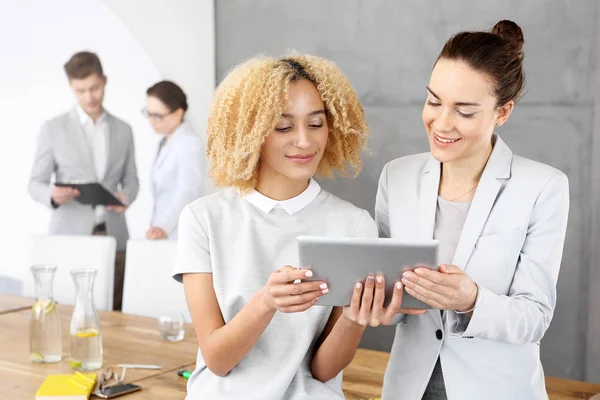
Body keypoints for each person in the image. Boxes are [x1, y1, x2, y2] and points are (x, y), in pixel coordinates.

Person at [172, 54, 422, 399]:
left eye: (316, 124)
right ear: (251, 132)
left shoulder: (353, 225)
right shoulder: (203, 219)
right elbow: (217, 360)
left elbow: (322, 370)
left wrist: (353, 318)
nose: (304, 141)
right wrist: (266, 302)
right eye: (283, 126)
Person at [374, 20, 570, 399]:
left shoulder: (543, 187)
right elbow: (390, 292)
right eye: (433, 101)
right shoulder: (397, 177)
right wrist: (376, 306)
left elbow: (535, 318)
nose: (441, 123)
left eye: (464, 111)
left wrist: (471, 299)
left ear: (503, 111)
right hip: (409, 386)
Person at [28, 51, 139, 311]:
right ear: (71, 88)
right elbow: (35, 183)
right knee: (69, 311)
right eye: (80, 91)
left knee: (116, 312)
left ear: (105, 81)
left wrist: (127, 197)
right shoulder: (52, 129)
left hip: (114, 235)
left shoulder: (124, 129)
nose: (89, 97)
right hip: (69, 237)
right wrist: (52, 195)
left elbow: (132, 179)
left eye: (94, 88)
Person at [143, 80, 205, 240]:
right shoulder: (166, 141)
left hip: (178, 234)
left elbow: (188, 191)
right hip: (163, 234)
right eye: (149, 114)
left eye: (157, 115)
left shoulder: (189, 143)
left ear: (178, 113)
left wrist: (163, 226)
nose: (151, 121)